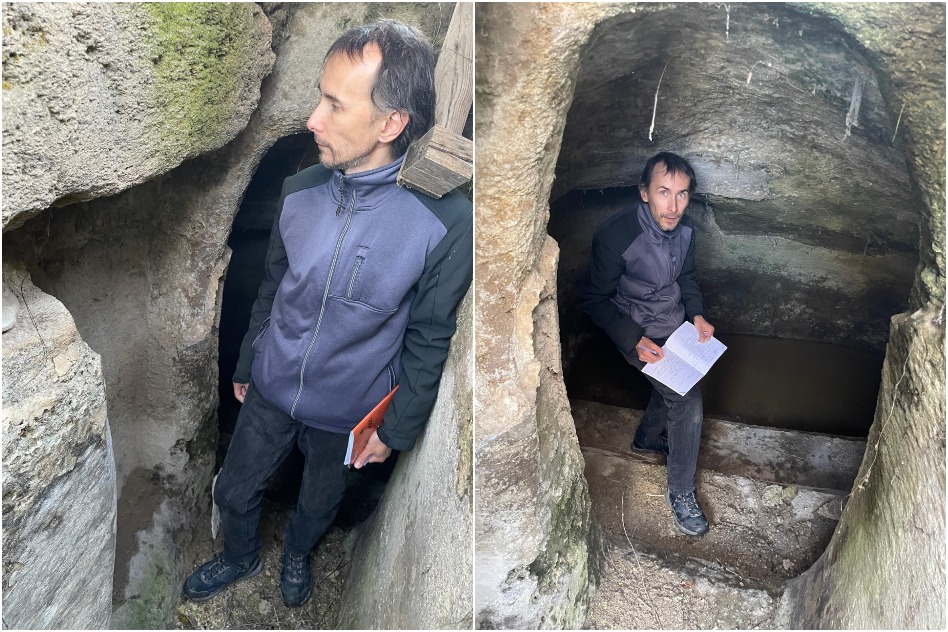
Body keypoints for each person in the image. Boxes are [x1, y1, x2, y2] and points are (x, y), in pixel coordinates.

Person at [183, 20, 473, 607]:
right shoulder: (300, 191)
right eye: (321, 97)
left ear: (391, 124)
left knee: (320, 503)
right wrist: (248, 362)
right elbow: (272, 288)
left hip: (348, 410)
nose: (313, 119)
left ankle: (297, 553)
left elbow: (429, 335)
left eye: (335, 105)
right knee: (234, 491)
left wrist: (396, 429)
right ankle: (239, 556)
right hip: (271, 387)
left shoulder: (445, 223)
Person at [583, 151, 715, 537]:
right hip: (637, 330)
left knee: (679, 382)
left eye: (682, 194)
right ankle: (681, 492)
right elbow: (594, 299)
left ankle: (645, 439)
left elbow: (687, 278)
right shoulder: (615, 236)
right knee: (687, 400)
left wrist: (697, 314)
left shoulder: (685, 231)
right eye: (663, 192)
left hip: (675, 326)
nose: (673, 207)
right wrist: (633, 340)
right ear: (644, 193)